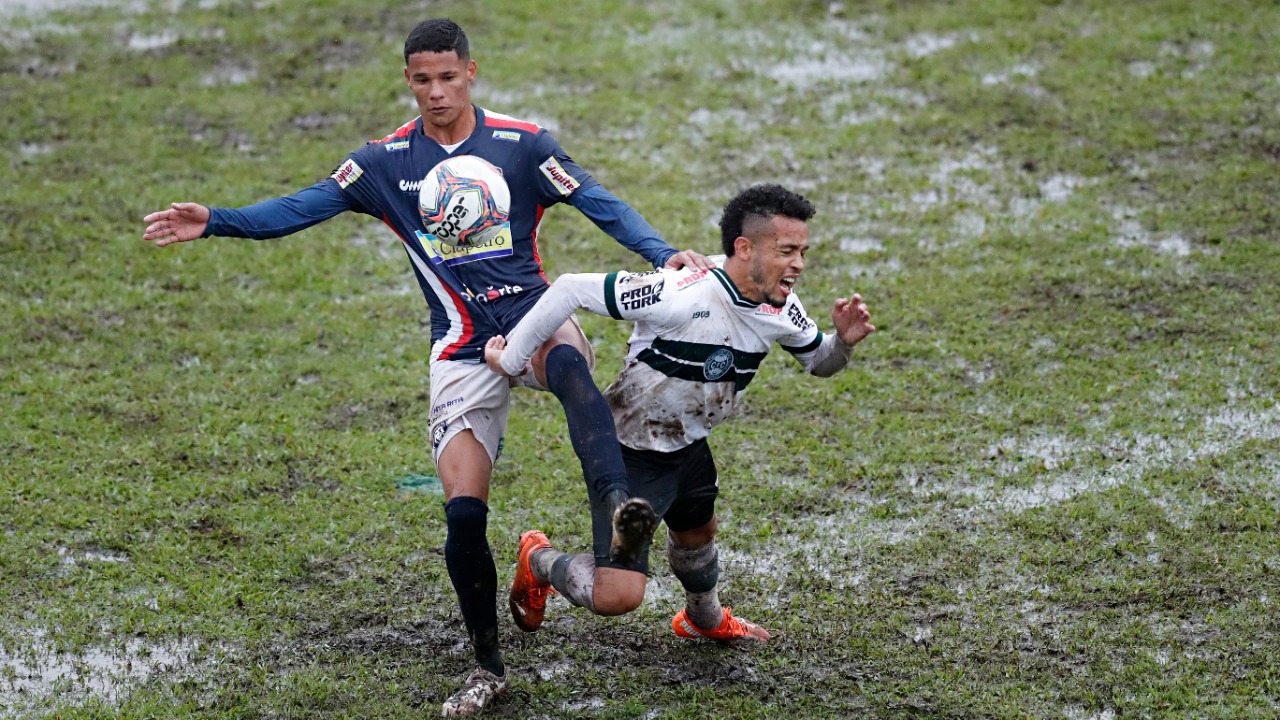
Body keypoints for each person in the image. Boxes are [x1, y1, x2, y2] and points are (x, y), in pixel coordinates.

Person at [141, 17, 711, 718]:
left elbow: (597, 200)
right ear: (408, 81)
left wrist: (661, 253)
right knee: (465, 518)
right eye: (422, 80)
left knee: (569, 366)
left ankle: (620, 510)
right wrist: (219, 219)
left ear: (471, 72)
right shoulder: (382, 163)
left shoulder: (524, 145)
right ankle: (488, 667)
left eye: (448, 77)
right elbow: (300, 207)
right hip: (461, 346)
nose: (436, 93)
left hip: (532, 315)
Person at [484, 183, 875, 647]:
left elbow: (818, 363)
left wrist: (843, 343)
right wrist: (511, 362)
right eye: (786, 251)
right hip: (629, 454)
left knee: (698, 532)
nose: (799, 265)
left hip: (688, 443)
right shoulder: (678, 293)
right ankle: (540, 560)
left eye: (803, 252)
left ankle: (702, 619)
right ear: (744, 247)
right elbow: (569, 289)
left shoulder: (782, 308)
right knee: (617, 598)